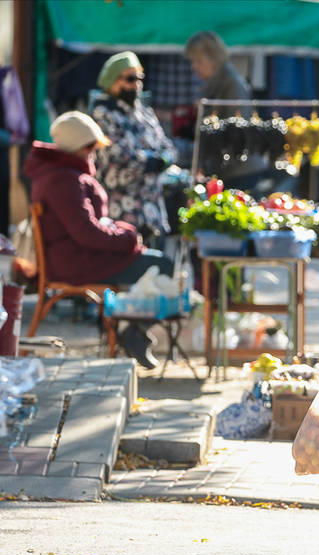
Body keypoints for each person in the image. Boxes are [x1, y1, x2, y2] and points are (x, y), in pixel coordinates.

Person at [23, 111, 173, 367]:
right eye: (90, 146)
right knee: (162, 266)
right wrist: (127, 237)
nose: (94, 152)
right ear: (76, 147)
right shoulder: (63, 179)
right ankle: (131, 331)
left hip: (73, 256)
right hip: (76, 261)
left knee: (155, 262)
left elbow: (87, 228)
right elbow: (86, 233)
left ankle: (130, 328)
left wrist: (123, 234)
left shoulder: (59, 173)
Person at [90, 51, 177, 243]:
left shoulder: (144, 112)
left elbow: (168, 148)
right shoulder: (103, 112)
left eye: (139, 78)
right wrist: (153, 161)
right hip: (121, 211)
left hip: (151, 210)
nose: (136, 84)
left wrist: (162, 160)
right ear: (112, 80)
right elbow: (116, 153)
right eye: (130, 78)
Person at [184, 31, 269, 191]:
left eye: (198, 61)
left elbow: (237, 132)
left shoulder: (231, 84)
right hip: (229, 170)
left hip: (240, 172)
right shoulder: (217, 82)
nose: (194, 66)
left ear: (213, 59)